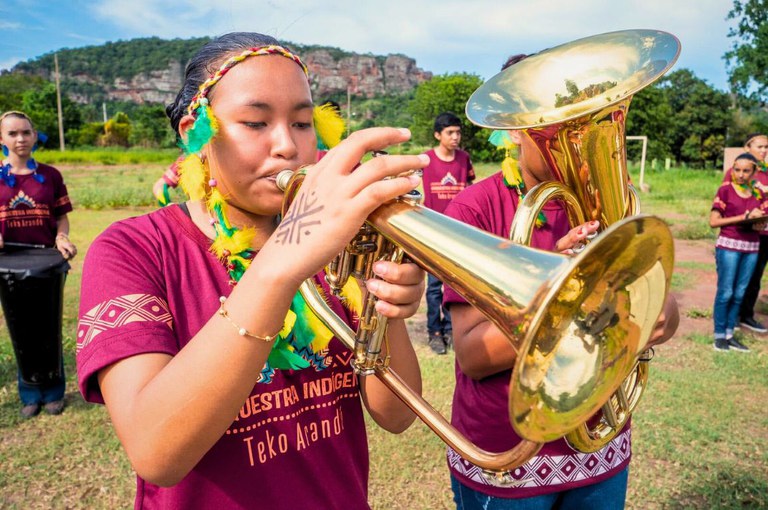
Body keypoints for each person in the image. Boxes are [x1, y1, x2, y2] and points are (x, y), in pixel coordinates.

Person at [76, 33, 426, 509]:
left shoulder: (340, 247)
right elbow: (155, 454)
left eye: (303, 123)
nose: (287, 145)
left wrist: (386, 308)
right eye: (256, 122)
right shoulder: (131, 249)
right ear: (193, 132)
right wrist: (281, 264)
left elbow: (397, 414)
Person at [442, 125, 680, 509]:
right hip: (509, 456)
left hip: (599, 447)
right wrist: (560, 294)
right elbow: (473, 356)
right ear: (514, 132)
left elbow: (662, 316)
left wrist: (658, 308)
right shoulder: (474, 209)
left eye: (582, 125)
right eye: (552, 128)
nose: (575, 140)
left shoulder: (608, 203)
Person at [0, 110, 77, 418]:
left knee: (49, 327)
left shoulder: (51, 175)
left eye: (26, 133)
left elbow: (61, 218)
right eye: (13, 134)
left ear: (34, 136)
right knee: (21, 329)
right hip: (8, 266)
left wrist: (61, 239)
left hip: (47, 264)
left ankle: (55, 391)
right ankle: (29, 392)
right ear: (2, 139)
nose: (20, 139)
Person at [422, 112, 475, 354]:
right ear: (437, 135)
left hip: (460, 233)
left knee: (457, 284)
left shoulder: (464, 159)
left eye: (458, 132)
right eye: (450, 133)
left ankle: (452, 328)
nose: (455, 137)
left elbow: (472, 190)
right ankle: (434, 332)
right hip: (434, 233)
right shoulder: (425, 160)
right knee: (434, 286)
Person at [710, 152, 766, 352]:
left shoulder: (759, 194)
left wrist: (758, 222)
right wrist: (743, 217)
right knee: (726, 292)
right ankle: (719, 337)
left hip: (752, 248)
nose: (741, 175)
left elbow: (760, 223)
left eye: (746, 171)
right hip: (729, 246)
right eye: (737, 170)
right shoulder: (725, 190)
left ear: (754, 173)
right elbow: (714, 222)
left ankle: (729, 335)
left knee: (740, 293)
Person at [733, 134, 768, 332]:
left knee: (756, 278)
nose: (764, 150)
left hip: (765, 233)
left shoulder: (765, 171)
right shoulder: (739, 170)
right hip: (744, 234)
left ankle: (747, 315)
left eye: (766, 147)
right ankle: (733, 318)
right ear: (748, 146)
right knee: (741, 279)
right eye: (760, 146)